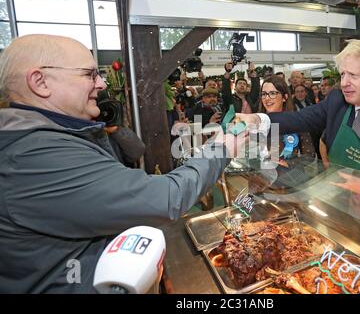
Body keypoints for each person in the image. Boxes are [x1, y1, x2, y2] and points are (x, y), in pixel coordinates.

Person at [0, 34, 245, 293]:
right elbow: (167, 196)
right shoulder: (34, 156)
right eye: (89, 74)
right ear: (40, 81)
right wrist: (222, 148)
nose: (101, 83)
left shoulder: (42, 140)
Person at [236, 39, 360, 189]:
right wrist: (258, 118)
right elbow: (300, 119)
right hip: (341, 203)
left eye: (353, 75)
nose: (344, 83)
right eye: (342, 74)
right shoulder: (337, 101)